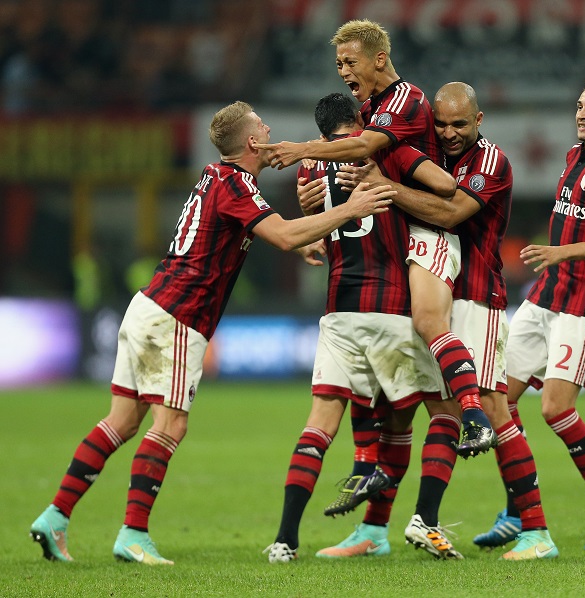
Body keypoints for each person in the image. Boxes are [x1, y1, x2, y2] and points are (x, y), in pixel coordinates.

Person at [28, 101, 395, 566]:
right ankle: (133, 534)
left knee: (121, 421)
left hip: (148, 306)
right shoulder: (237, 184)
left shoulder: (214, 177)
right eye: (262, 126)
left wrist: (300, 241)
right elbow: (282, 234)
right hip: (180, 315)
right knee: (171, 425)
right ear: (252, 141)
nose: (269, 129)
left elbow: (265, 232)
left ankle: (55, 517)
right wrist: (351, 210)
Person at [327, 82, 558, 560]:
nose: (450, 133)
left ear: (479, 120)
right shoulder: (426, 154)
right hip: (423, 290)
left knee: (493, 409)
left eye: (460, 124)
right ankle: (376, 530)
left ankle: (537, 532)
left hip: (475, 295)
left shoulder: (491, 161)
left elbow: (451, 214)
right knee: (402, 409)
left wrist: (387, 186)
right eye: (442, 124)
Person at [255, 18, 495, 457]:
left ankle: (475, 415)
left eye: (350, 62)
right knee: (392, 395)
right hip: (396, 241)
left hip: (429, 232)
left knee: (428, 326)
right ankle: (375, 474)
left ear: (379, 59)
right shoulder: (367, 111)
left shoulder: (406, 98)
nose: (343, 71)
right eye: (338, 64)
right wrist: (311, 204)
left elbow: (377, 155)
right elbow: (355, 160)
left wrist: (302, 150)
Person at [264, 92, 464, 563]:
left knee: (318, 426)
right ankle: (419, 517)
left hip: (338, 311)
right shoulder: (384, 150)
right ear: (360, 119)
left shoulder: (310, 168)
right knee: (440, 414)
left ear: (320, 132)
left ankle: (286, 540)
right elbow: (446, 187)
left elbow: (314, 221)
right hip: (391, 307)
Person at [475, 76, 585, 552]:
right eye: (579, 105)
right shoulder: (574, 155)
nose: (581, 114)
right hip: (545, 294)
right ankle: (517, 510)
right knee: (496, 400)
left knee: (555, 408)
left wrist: (562, 253)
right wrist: (556, 259)